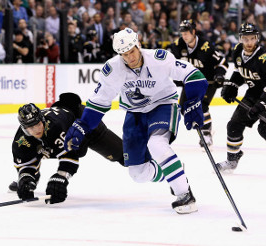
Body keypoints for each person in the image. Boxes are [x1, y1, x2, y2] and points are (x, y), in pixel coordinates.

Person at [63, 28, 208, 214]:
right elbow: (100, 101)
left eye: (132, 51)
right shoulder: (112, 69)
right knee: (138, 173)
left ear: (138, 44)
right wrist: (82, 125)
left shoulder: (159, 59)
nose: (130, 57)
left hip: (162, 105)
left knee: (157, 144)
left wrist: (193, 101)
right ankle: (174, 171)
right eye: (124, 54)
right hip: (135, 113)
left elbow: (194, 75)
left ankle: (184, 194)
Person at [10, 93, 124, 204]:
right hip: (59, 133)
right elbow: (24, 164)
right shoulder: (21, 140)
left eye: (38, 124)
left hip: (83, 123)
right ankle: (33, 179)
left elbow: (70, 156)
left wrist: (61, 178)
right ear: (24, 129)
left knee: (125, 156)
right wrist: (25, 178)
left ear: (42, 120)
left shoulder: (56, 127)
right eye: (30, 127)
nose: (36, 130)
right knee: (30, 172)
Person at [218, 23, 266, 181]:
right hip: (255, 92)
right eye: (246, 38)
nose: (249, 42)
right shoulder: (238, 50)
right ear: (240, 39)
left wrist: (262, 106)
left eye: (252, 38)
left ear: (257, 38)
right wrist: (232, 86)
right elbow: (239, 70)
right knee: (234, 125)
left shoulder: (265, 59)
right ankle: (232, 160)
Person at [171, 19, 228, 148]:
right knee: (185, 108)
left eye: (186, 33)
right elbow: (172, 63)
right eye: (182, 33)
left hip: (207, 82)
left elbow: (223, 62)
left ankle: (206, 133)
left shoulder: (206, 46)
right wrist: (176, 76)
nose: (184, 36)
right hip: (190, 81)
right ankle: (203, 127)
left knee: (201, 106)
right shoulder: (177, 45)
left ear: (193, 32)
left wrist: (219, 74)